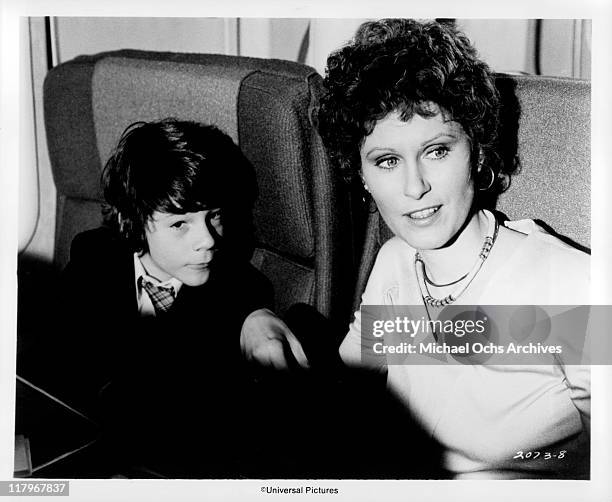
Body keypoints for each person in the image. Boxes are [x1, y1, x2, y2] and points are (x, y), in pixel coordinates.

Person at [317, 19, 590, 479]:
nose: (415, 187)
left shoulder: (569, 284)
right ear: (361, 175)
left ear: (478, 150)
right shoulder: (396, 263)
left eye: (437, 151)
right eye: (387, 161)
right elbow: (342, 391)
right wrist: (255, 317)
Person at [34, 119, 305, 477]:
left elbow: (241, 297)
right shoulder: (93, 259)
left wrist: (255, 318)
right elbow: (56, 354)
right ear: (133, 220)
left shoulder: (232, 288)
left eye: (215, 216)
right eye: (180, 224)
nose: (207, 240)